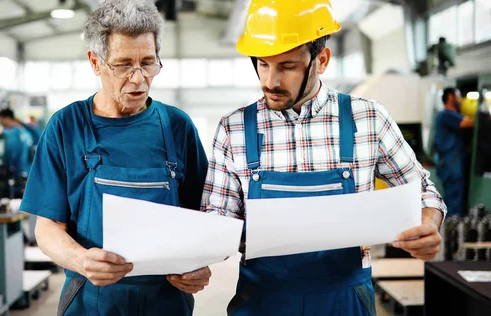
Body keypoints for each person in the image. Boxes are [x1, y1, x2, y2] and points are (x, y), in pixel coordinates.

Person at [200, 1, 447, 314]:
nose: (271, 82)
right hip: (264, 299)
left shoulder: (367, 119)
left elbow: (424, 191)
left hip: (344, 299)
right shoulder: (233, 129)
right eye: (263, 64)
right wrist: (194, 255)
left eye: (287, 66)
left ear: (322, 60)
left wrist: (428, 223)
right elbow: (217, 217)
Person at [19, 1, 210, 315]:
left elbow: (204, 219)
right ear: (95, 61)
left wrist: (199, 266)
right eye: (123, 65)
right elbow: (47, 227)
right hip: (91, 301)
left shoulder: (178, 127)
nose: (138, 79)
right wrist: (81, 260)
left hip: (166, 302)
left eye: (148, 63)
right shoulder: (66, 127)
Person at [434, 88, 474, 216]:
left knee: (455, 196)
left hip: (453, 162)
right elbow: (466, 122)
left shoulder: (453, 115)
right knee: (453, 198)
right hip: (451, 163)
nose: (461, 99)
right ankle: (451, 229)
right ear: (450, 97)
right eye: (458, 95)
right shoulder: (445, 115)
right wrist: (485, 117)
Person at [0, 108, 33, 180]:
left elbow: (12, 153)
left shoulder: (9, 134)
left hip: (15, 173)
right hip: (26, 171)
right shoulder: (24, 132)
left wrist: (6, 169)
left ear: (7, 118)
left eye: (0, 119)